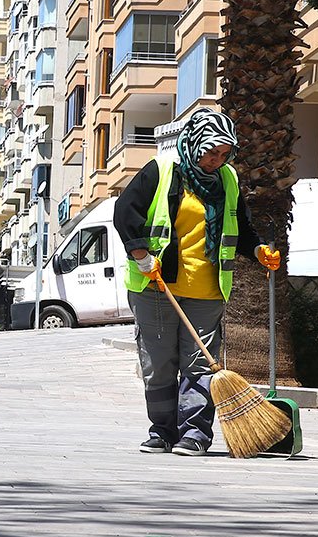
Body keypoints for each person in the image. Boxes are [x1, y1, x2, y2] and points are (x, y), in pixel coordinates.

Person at [113, 108, 281, 457]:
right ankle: (162, 431)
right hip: (156, 286)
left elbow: (240, 227)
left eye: (224, 154)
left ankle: (195, 434)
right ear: (193, 143)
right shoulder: (162, 170)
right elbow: (125, 213)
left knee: (199, 365)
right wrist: (142, 256)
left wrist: (258, 251)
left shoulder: (228, 179)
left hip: (207, 291)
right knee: (159, 364)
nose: (216, 161)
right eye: (211, 152)